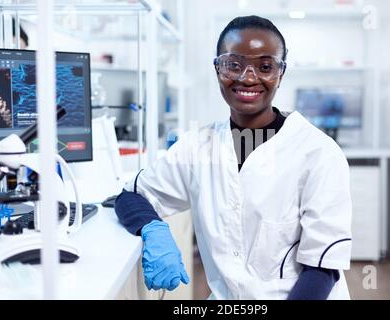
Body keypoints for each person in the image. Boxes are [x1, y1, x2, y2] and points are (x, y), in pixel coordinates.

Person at [115, 15, 352, 300]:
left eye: (265, 66)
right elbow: (130, 196)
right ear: (218, 69)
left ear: (281, 72)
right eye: (233, 64)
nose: (248, 77)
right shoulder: (197, 147)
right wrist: (152, 228)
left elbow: (321, 271)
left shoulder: (318, 153)